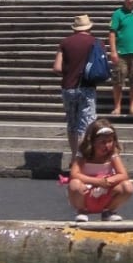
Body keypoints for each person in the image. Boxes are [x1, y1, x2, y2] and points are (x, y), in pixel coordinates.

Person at [53, 13, 100, 161]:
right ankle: (82, 158)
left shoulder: (65, 43)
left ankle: (74, 157)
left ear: (75, 28)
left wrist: (69, 72)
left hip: (68, 87)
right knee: (86, 123)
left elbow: (56, 67)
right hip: (87, 86)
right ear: (89, 27)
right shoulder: (96, 42)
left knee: (72, 123)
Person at [67, 121, 133, 221]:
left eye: (110, 141)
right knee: (74, 184)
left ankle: (108, 211)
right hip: (86, 191)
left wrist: (108, 181)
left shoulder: (112, 153)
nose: (107, 145)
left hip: (105, 191)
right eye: (102, 142)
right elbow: (74, 174)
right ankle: (82, 211)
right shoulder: (84, 153)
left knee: (127, 186)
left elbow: (123, 175)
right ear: (92, 141)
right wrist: (97, 182)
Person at [108, 0, 133, 118]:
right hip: (121, 52)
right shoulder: (118, 14)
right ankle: (117, 107)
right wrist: (113, 51)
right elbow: (112, 33)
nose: (130, 1)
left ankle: (132, 107)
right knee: (118, 80)